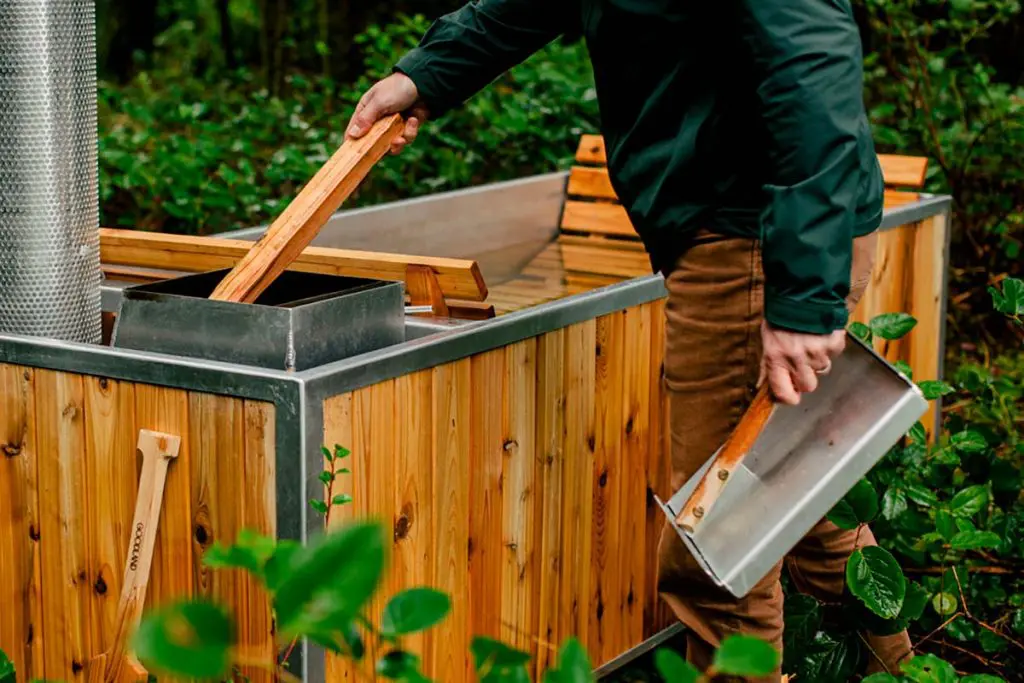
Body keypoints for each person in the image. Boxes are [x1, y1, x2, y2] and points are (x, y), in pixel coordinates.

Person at [345, 0, 912, 678]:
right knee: (793, 491)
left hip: (754, 234)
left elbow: (812, 62)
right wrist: (425, 75)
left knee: (719, 549)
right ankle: (908, 669)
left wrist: (803, 294)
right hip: (756, 229)